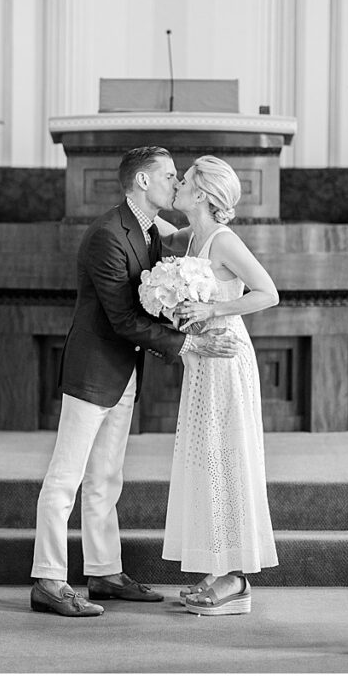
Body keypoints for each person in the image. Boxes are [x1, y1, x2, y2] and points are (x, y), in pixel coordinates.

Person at [30, 146, 242, 618]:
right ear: (143, 182)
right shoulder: (108, 234)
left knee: (106, 478)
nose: (176, 182)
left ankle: (104, 572)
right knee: (66, 477)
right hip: (93, 372)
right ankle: (48, 579)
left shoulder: (148, 231)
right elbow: (124, 318)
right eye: (169, 175)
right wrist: (189, 346)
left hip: (124, 371)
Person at [164, 155, 279, 616]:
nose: (178, 183)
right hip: (201, 361)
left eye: (185, 179)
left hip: (227, 357)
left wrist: (213, 311)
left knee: (227, 455)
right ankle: (218, 565)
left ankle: (237, 576)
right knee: (206, 459)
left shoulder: (224, 241)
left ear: (204, 195)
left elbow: (268, 292)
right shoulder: (191, 237)